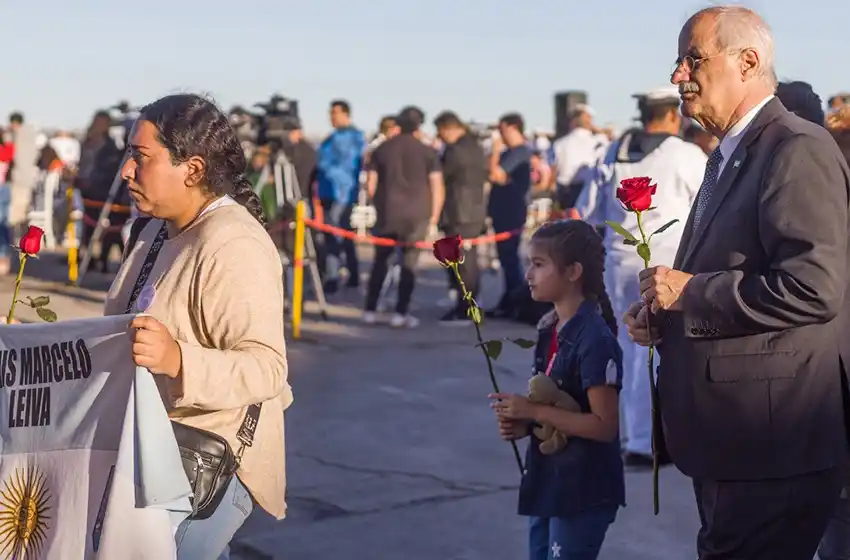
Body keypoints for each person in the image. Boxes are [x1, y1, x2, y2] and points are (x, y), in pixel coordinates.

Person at [625, 7, 850, 559]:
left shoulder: (796, 147)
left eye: (693, 59)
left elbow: (814, 285)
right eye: (678, 62)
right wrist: (669, 314)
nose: (679, 75)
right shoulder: (730, 155)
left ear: (748, 62)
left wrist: (693, 293)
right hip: (735, 443)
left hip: (771, 445)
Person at [103, 93, 292, 559]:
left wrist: (178, 360)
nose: (127, 171)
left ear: (192, 168)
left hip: (204, 464)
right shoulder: (155, 231)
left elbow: (268, 368)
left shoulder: (234, 242)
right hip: (147, 452)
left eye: (140, 157)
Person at [576, 87, 706, 467]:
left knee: (629, 345)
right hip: (668, 265)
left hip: (619, 260)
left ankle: (635, 434)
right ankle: (649, 439)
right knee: (662, 349)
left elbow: (588, 209)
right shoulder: (685, 154)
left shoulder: (613, 150)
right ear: (672, 116)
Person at [490, 219, 624, 560]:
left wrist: (534, 412)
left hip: (582, 489)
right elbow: (557, 403)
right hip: (550, 481)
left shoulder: (594, 339)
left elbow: (604, 426)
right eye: (528, 265)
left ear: (573, 271)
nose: (528, 276)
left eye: (538, 265)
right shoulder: (550, 328)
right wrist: (525, 424)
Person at [363, 107, 444, 328]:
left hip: (388, 211)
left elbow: (371, 184)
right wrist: (434, 216)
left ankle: (370, 309)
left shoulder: (383, 149)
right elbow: (437, 186)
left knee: (380, 261)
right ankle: (400, 312)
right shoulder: (428, 152)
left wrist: (379, 203)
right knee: (409, 263)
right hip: (417, 213)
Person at [433, 110, 487, 324]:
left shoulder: (455, 151)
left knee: (463, 264)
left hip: (459, 212)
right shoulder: (475, 146)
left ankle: (467, 307)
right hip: (472, 211)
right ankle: (467, 302)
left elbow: (442, 176)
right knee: (466, 261)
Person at [316, 99, 366, 292]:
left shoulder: (353, 137)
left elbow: (347, 166)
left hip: (341, 193)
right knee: (342, 235)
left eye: (335, 113)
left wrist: (326, 168)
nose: (331, 117)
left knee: (335, 236)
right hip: (329, 191)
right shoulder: (332, 138)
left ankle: (333, 277)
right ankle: (352, 273)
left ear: (345, 114)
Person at [486, 113, 532, 319]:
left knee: (510, 258)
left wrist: (494, 151)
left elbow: (496, 175)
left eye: (502, 129)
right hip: (503, 210)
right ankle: (510, 300)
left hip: (510, 212)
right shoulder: (513, 153)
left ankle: (515, 302)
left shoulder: (518, 152)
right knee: (506, 259)